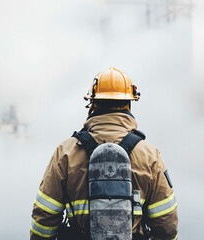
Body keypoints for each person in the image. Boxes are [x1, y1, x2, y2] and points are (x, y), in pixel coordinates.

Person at [30, 67, 178, 240]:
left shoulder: (66, 153)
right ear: (129, 103)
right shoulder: (149, 155)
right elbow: (166, 224)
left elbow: (45, 216)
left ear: (92, 104)